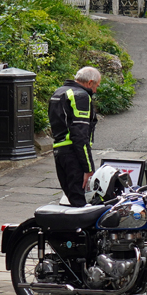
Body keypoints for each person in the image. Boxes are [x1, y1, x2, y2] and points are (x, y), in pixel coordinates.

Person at [49, 66, 101, 206]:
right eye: (96, 86)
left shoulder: (58, 92)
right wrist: (88, 168)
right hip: (73, 154)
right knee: (81, 204)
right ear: (90, 82)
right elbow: (80, 135)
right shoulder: (80, 96)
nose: (95, 91)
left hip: (59, 152)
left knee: (72, 199)